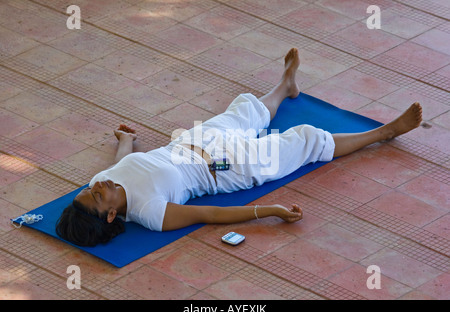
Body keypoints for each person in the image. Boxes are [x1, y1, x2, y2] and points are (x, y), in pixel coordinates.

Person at [56, 48, 423, 247]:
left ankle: (286, 85)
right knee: (306, 139)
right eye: (98, 196)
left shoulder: (102, 179)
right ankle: (384, 132)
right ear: (109, 216)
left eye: (92, 189)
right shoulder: (150, 214)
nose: (97, 186)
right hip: (226, 169)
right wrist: (268, 210)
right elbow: (210, 215)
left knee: (248, 109)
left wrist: (126, 141)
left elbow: (122, 164)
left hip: (193, 141)